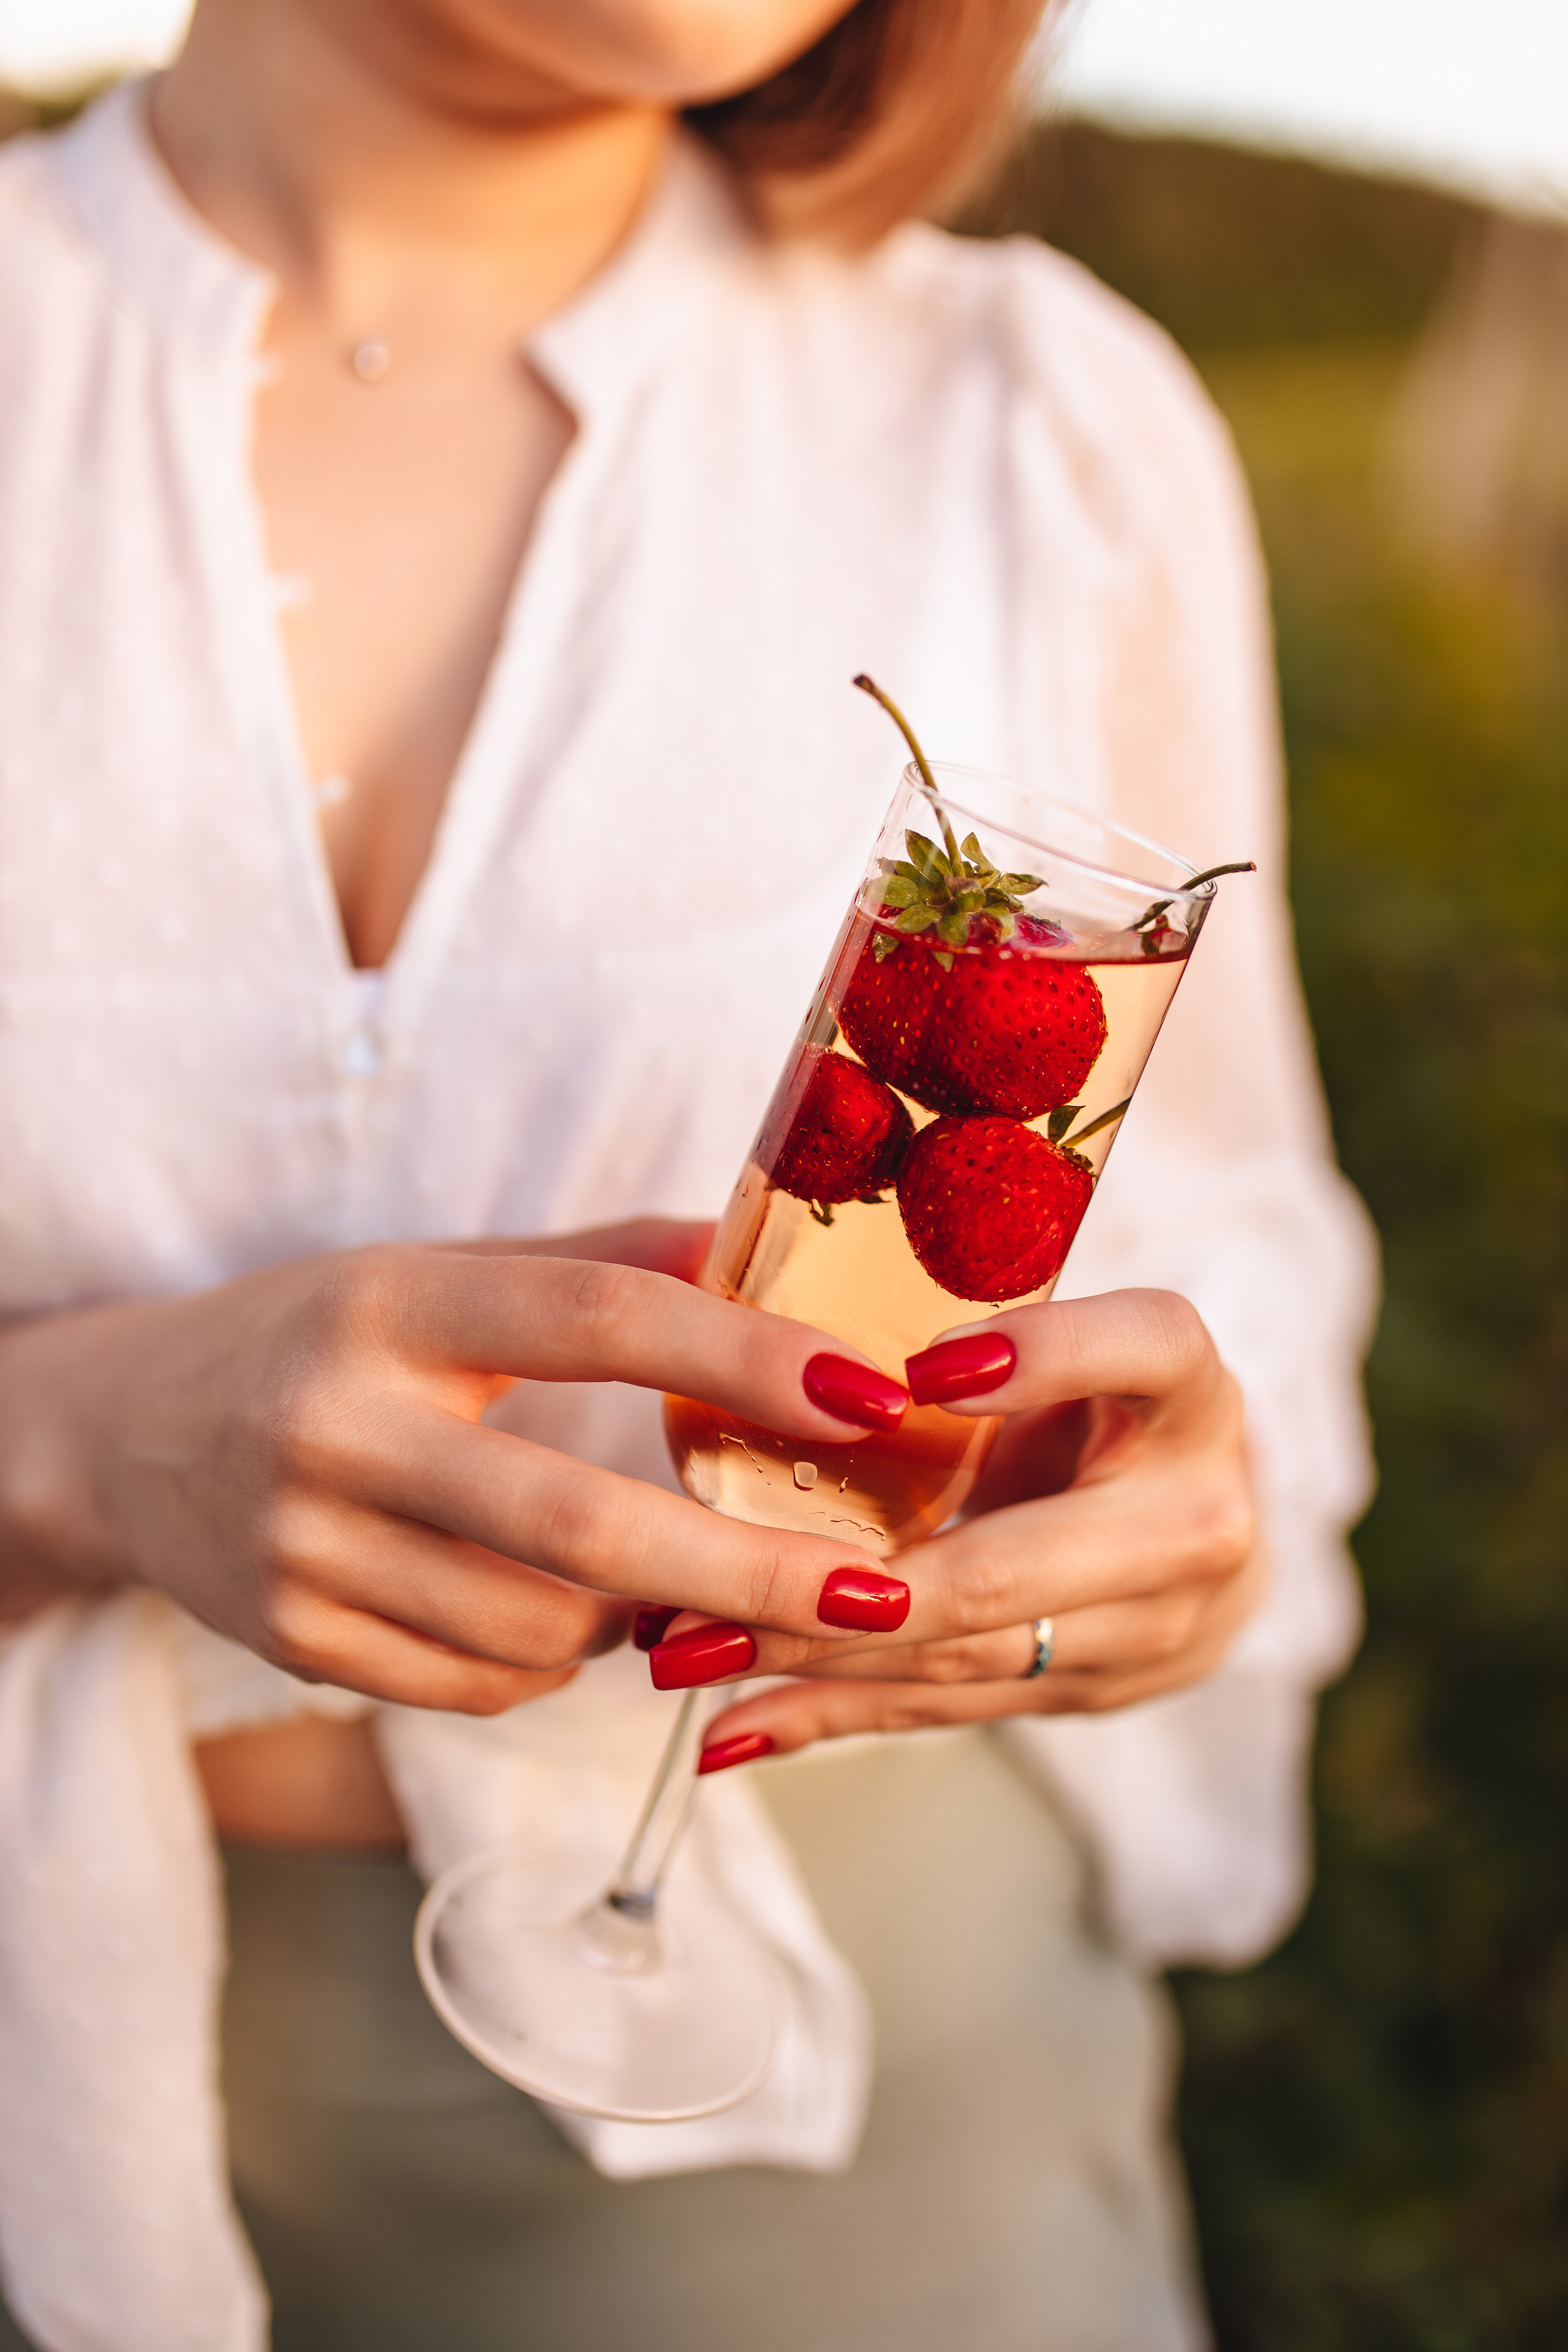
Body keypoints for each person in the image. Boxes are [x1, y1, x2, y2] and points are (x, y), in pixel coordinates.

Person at [0, 2, 1377, 2347]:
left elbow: (1236, 1253)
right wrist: (71, 1440)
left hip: (862, 2102)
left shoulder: (1044, 419)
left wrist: (1163, 1554)